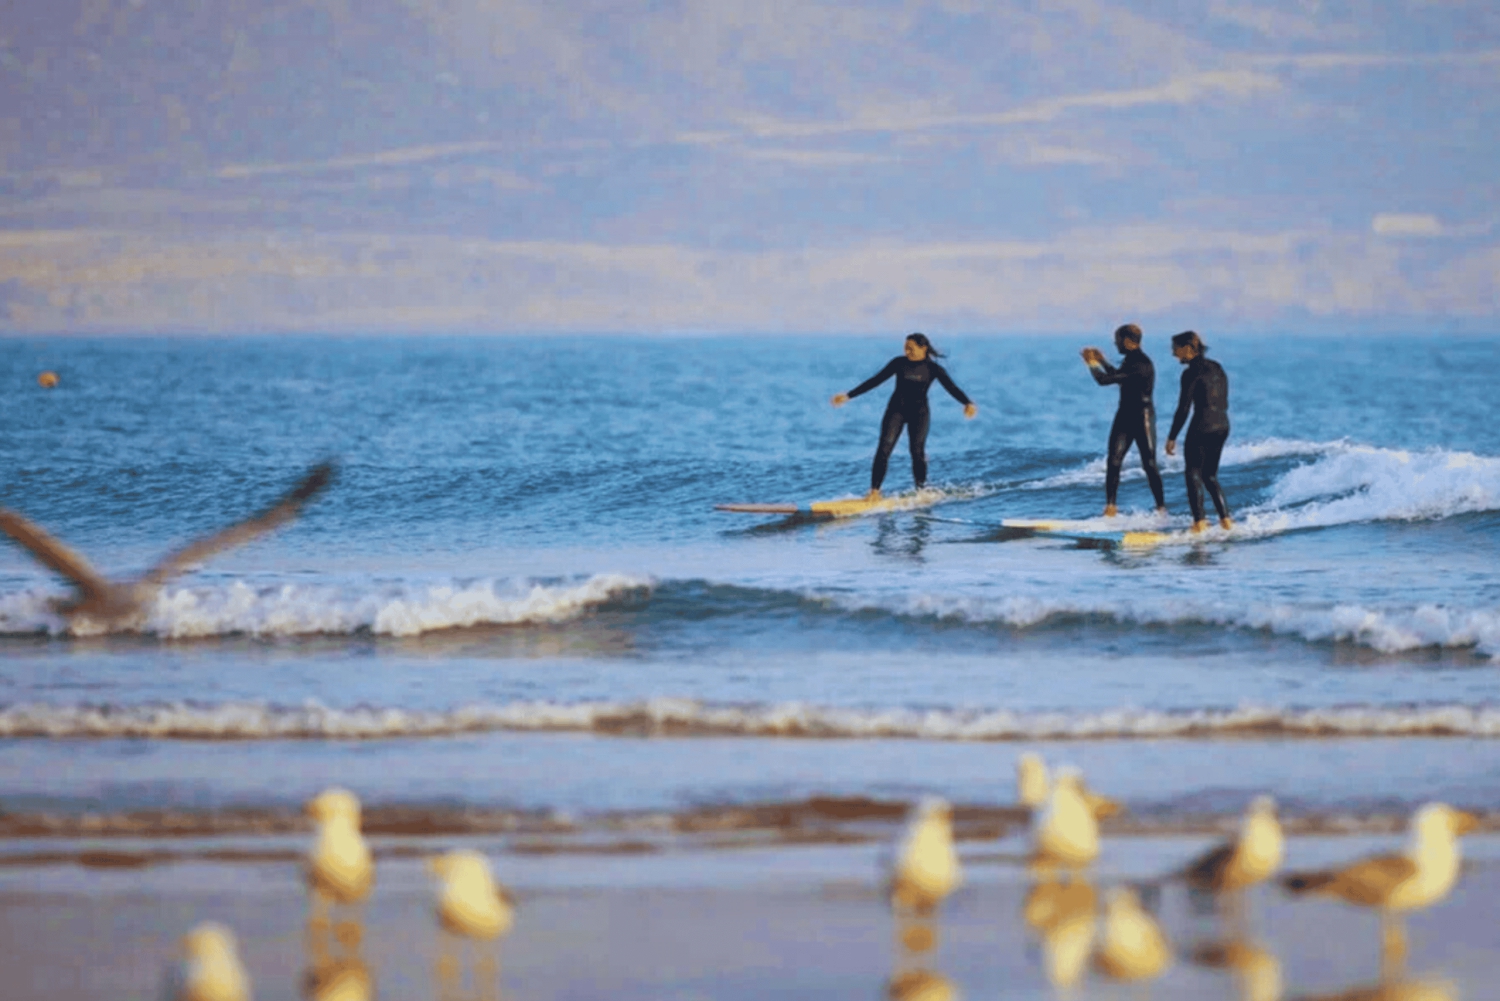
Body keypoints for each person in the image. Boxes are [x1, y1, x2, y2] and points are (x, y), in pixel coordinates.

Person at [832, 333, 977, 500]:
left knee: (917, 452)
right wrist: (849, 395)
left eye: (911, 348)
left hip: (919, 413)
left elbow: (951, 387)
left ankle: (921, 491)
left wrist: (967, 403)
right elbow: (875, 380)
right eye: (905, 348)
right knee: (884, 449)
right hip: (896, 411)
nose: (907, 351)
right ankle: (874, 492)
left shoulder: (933, 369)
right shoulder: (899, 363)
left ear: (923, 348)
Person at [1080, 323, 1167, 517]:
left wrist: (1091, 363)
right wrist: (1102, 360)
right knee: (1114, 460)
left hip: (1142, 417)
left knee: (1149, 463)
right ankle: (1111, 507)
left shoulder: (1142, 363)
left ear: (1127, 341)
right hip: (1124, 416)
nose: (1115, 344)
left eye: (1117, 341)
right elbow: (1117, 376)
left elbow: (1104, 380)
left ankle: (1161, 508)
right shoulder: (1129, 361)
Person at [1164, 330, 1232, 532]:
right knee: (1210, 475)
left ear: (1187, 348)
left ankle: (1199, 523)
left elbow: (1184, 408)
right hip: (1222, 424)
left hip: (1202, 424)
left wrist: (1172, 437)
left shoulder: (1190, 373)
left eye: (1175, 349)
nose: (1174, 354)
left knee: (1192, 472)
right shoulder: (1217, 367)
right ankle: (1226, 521)